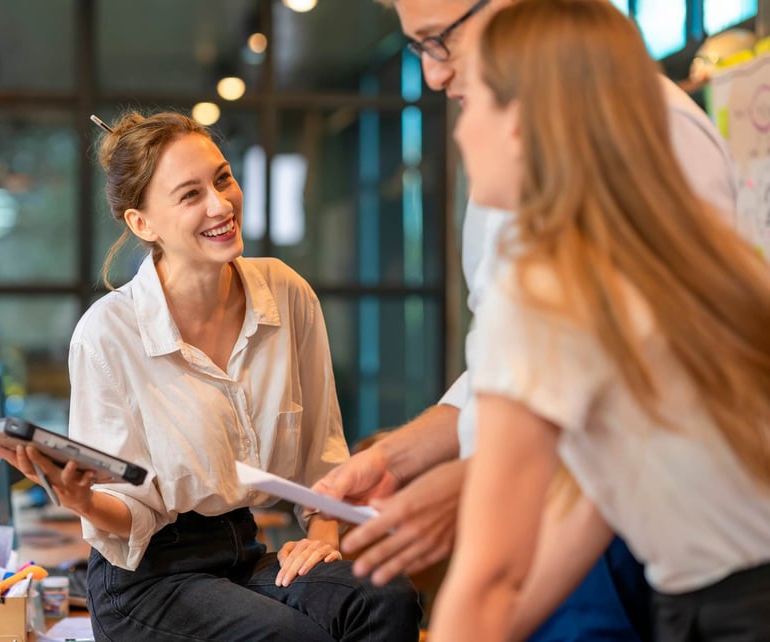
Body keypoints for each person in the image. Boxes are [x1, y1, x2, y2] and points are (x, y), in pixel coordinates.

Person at [313, 0, 739, 638]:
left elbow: (505, 562)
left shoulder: (547, 275)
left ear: (528, 117)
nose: (436, 83)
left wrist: (479, 493)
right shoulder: (547, 233)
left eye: (440, 42)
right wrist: (403, 460)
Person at [0, 110, 421, 642]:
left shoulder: (286, 295)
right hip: (145, 581)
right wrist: (80, 500)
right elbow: (129, 511)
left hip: (241, 553)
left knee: (385, 598)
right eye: (189, 194)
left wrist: (325, 534)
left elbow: (321, 453)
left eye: (222, 179)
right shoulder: (108, 333)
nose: (221, 205)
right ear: (141, 224)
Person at [428, 1, 770, 640]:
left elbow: (488, 576)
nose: (458, 132)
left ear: (523, 123)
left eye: (473, 104)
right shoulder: (681, 253)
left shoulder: (544, 284)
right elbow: (597, 497)